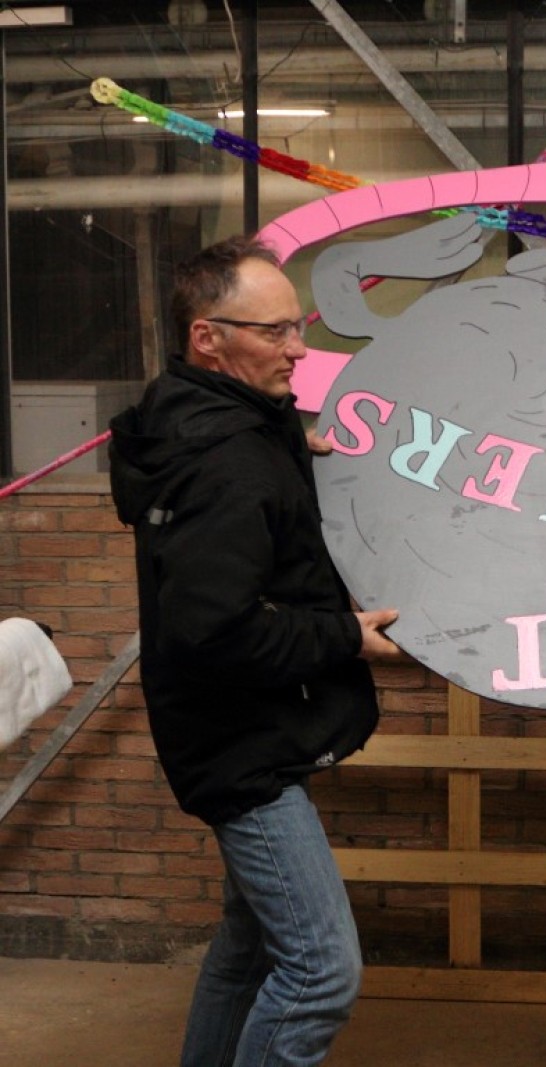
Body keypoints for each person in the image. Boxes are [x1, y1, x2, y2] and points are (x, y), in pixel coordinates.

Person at [109, 235, 402, 1067]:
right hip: (240, 748)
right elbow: (218, 630)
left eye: (296, 325)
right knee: (320, 971)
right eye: (275, 332)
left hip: (241, 728)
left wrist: (287, 446)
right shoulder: (225, 464)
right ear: (208, 338)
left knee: (249, 944)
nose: (298, 348)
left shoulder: (211, 421)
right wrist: (343, 634)